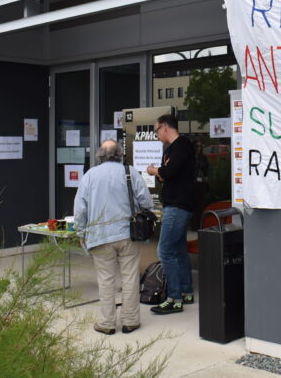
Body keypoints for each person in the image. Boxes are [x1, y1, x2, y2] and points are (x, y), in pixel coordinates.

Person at [74, 139, 152, 335]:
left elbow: (80, 208)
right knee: (130, 277)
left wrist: (81, 232)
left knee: (106, 280)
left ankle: (107, 323)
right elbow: (146, 202)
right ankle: (130, 321)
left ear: (100, 155)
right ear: (119, 154)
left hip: (99, 235)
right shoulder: (130, 172)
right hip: (128, 234)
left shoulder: (90, 175)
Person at [146, 114, 196, 314]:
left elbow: (169, 172)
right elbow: (166, 176)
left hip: (177, 206)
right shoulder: (172, 149)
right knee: (179, 250)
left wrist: (154, 170)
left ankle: (174, 298)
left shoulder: (181, 145)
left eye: (157, 130)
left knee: (164, 251)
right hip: (177, 204)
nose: (157, 135)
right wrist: (161, 172)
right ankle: (186, 292)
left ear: (165, 127)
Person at [191, 140, 210, 231]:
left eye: (199, 146)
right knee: (193, 205)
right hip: (192, 184)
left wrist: (205, 178)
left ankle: (200, 225)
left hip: (201, 184)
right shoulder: (190, 157)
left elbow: (206, 170)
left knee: (200, 205)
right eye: (196, 146)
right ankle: (194, 225)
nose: (198, 148)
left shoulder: (203, 158)